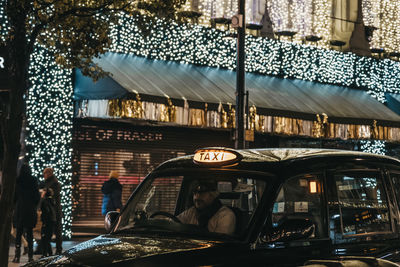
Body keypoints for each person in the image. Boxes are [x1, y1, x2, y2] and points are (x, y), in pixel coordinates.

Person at [12, 163, 40, 263]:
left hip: (20, 210)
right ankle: (30, 256)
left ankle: (17, 256)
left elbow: (14, 196)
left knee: (19, 234)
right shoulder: (33, 180)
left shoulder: (18, 180)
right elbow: (37, 197)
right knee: (30, 234)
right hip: (30, 210)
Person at [42, 167, 63, 254]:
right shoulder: (50, 182)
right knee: (54, 231)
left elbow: (53, 196)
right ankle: (53, 250)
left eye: (45, 174)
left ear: (49, 173)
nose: (44, 176)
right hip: (53, 210)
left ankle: (58, 250)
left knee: (55, 230)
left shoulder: (54, 183)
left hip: (54, 210)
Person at [40, 187, 57, 257]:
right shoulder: (52, 201)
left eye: (43, 191)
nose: (42, 193)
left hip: (47, 222)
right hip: (52, 221)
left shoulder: (44, 201)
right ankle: (50, 254)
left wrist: (44, 222)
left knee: (44, 239)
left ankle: (44, 254)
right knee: (47, 239)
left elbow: (46, 212)